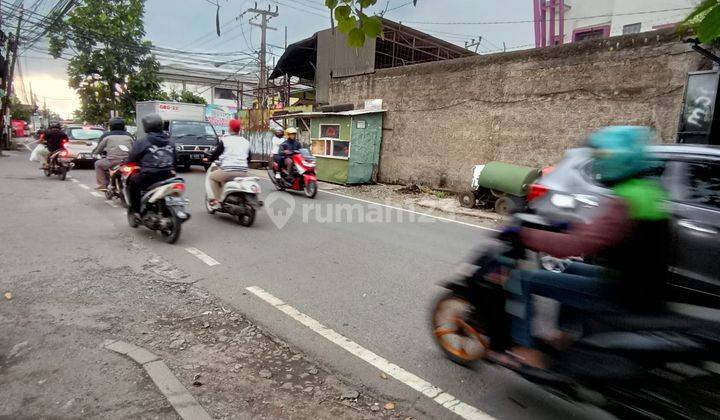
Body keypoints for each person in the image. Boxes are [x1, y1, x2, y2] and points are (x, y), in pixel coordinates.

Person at [498, 126, 670, 369]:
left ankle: (526, 351)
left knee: (524, 279)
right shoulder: (645, 191)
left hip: (623, 290)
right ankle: (565, 336)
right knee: (564, 272)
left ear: (617, 160)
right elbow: (603, 233)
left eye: (602, 158)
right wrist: (564, 225)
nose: (599, 164)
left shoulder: (626, 200)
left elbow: (579, 244)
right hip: (639, 282)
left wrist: (525, 235)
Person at [126, 113, 176, 218]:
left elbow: (132, 158)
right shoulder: (170, 141)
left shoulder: (142, 141)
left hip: (149, 177)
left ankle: (135, 211)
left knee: (132, 181)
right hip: (169, 176)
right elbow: (175, 158)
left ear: (146, 126)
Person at [203, 119, 252, 209]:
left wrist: (208, 159)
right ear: (239, 129)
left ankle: (218, 200)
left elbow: (216, 154)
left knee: (212, 177)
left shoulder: (225, 140)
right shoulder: (246, 141)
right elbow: (249, 158)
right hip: (243, 171)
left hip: (228, 170)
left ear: (230, 128)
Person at [93, 117, 134, 191]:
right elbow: (135, 147)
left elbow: (98, 149)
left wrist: (95, 152)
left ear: (110, 126)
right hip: (127, 161)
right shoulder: (129, 136)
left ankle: (102, 185)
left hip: (112, 161)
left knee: (98, 164)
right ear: (124, 126)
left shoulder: (106, 136)